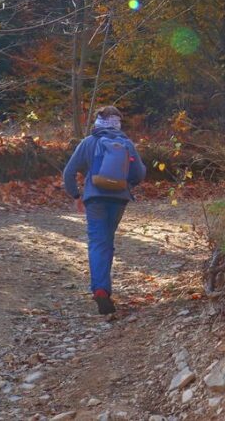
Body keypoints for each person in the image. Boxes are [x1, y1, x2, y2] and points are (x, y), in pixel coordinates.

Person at [63, 106, 146, 314]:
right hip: (119, 200)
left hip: (95, 199)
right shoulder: (126, 144)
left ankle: (100, 289)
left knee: (98, 242)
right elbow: (139, 173)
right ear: (118, 122)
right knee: (107, 240)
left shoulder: (89, 142)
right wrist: (126, 184)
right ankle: (103, 288)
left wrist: (76, 195)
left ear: (97, 121)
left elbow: (68, 172)